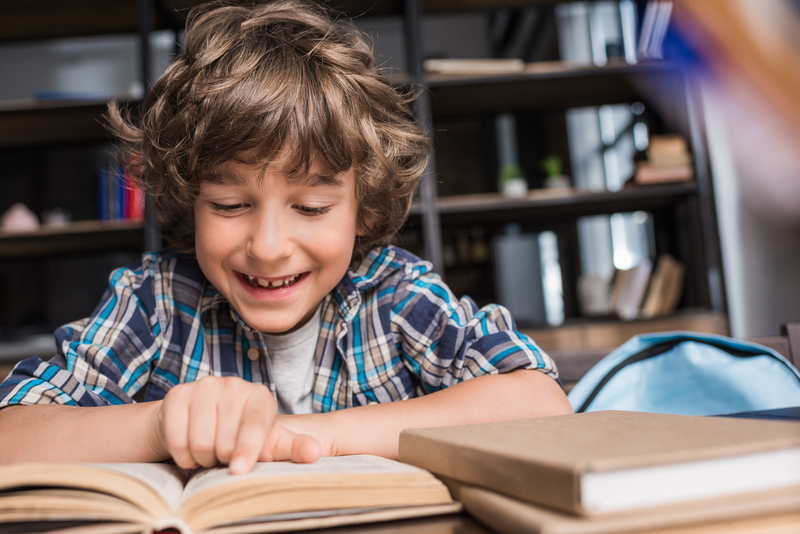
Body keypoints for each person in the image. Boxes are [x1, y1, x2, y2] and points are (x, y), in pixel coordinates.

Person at [0, 0, 572, 474]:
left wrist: (291, 436)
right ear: (191, 202)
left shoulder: (394, 294)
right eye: (229, 205)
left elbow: (540, 403)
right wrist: (157, 425)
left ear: (363, 211)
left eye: (312, 206)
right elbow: (12, 437)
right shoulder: (154, 302)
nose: (269, 246)